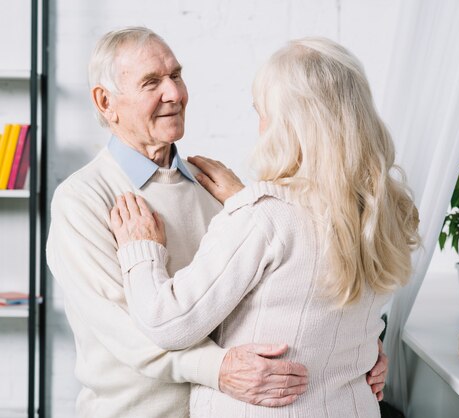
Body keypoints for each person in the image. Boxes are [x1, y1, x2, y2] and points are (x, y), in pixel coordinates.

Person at [110, 37, 419, 417]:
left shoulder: (263, 218)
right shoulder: (389, 210)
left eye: (262, 112)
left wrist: (141, 250)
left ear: (287, 125)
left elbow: (167, 322)